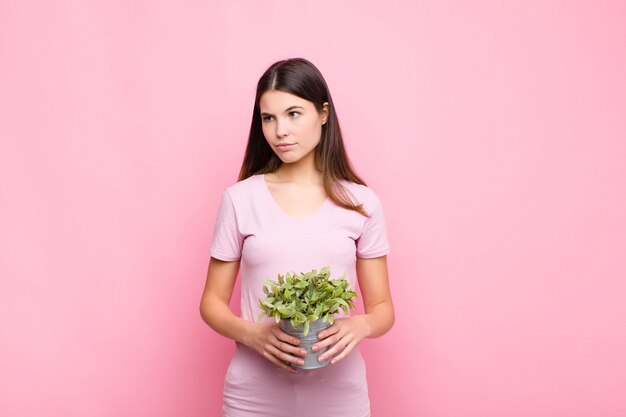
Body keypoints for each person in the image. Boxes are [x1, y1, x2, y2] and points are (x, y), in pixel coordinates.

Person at [199, 57, 394, 417]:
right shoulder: (240, 199)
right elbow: (211, 302)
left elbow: (383, 308)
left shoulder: (362, 203)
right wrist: (252, 334)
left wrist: (361, 324)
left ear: (323, 113)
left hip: (340, 398)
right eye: (268, 118)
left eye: (293, 114)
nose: (279, 131)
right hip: (252, 398)